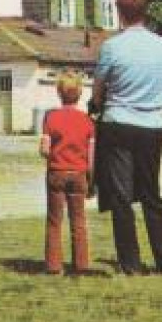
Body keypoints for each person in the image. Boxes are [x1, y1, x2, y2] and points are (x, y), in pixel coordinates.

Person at [89, 0, 162, 276]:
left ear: (119, 13)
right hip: (152, 125)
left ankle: (131, 262)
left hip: (119, 122)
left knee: (121, 196)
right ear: (145, 12)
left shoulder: (112, 47)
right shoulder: (161, 45)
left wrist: (95, 104)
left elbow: (99, 89)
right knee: (152, 194)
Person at [40, 70, 95, 275]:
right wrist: (91, 178)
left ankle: (54, 265)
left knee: (54, 220)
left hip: (56, 172)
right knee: (78, 221)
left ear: (59, 93)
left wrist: (53, 156)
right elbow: (91, 156)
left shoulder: (51, 118)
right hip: (79, 173)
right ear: (80, 93)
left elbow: (44, 149)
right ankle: (81, 264)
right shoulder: (88, 121)